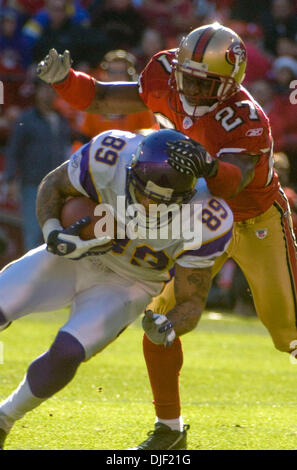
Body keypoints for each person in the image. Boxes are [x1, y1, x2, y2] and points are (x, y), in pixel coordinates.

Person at [36, 22, 297, 450]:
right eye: (187, 77)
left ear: (230, 84)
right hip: (193, 216)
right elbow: (104, 97)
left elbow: (231, 184)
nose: (191, 90)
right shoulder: (162, 75)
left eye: (203, 83)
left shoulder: (247, 118)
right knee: (158, 322)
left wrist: (209, 166)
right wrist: (67, 81)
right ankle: (169, 430)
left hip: (253, 218)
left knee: (288, 332)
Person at [0, 128, 234, 449]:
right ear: (131, 170)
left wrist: (168, 328)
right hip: (79, 256)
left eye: (161, 201)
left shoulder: (208, 217)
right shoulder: (110, 154)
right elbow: (53, 185)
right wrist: (54, 231)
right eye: (144, 193)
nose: (148, 205)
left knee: (68, 352)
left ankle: (3, 420)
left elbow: (192, 303)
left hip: (130, 284)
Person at [4, 79, 71, 251]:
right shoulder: (26, 119)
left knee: (56, 234)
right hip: (33, 184)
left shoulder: (62, 120)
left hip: (59, 187)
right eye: (44, 89)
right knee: (33, 235)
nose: (48, 93)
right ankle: (31, 277)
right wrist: (10, 179)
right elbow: (13, 151)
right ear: (37, 91)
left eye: (51, 89)